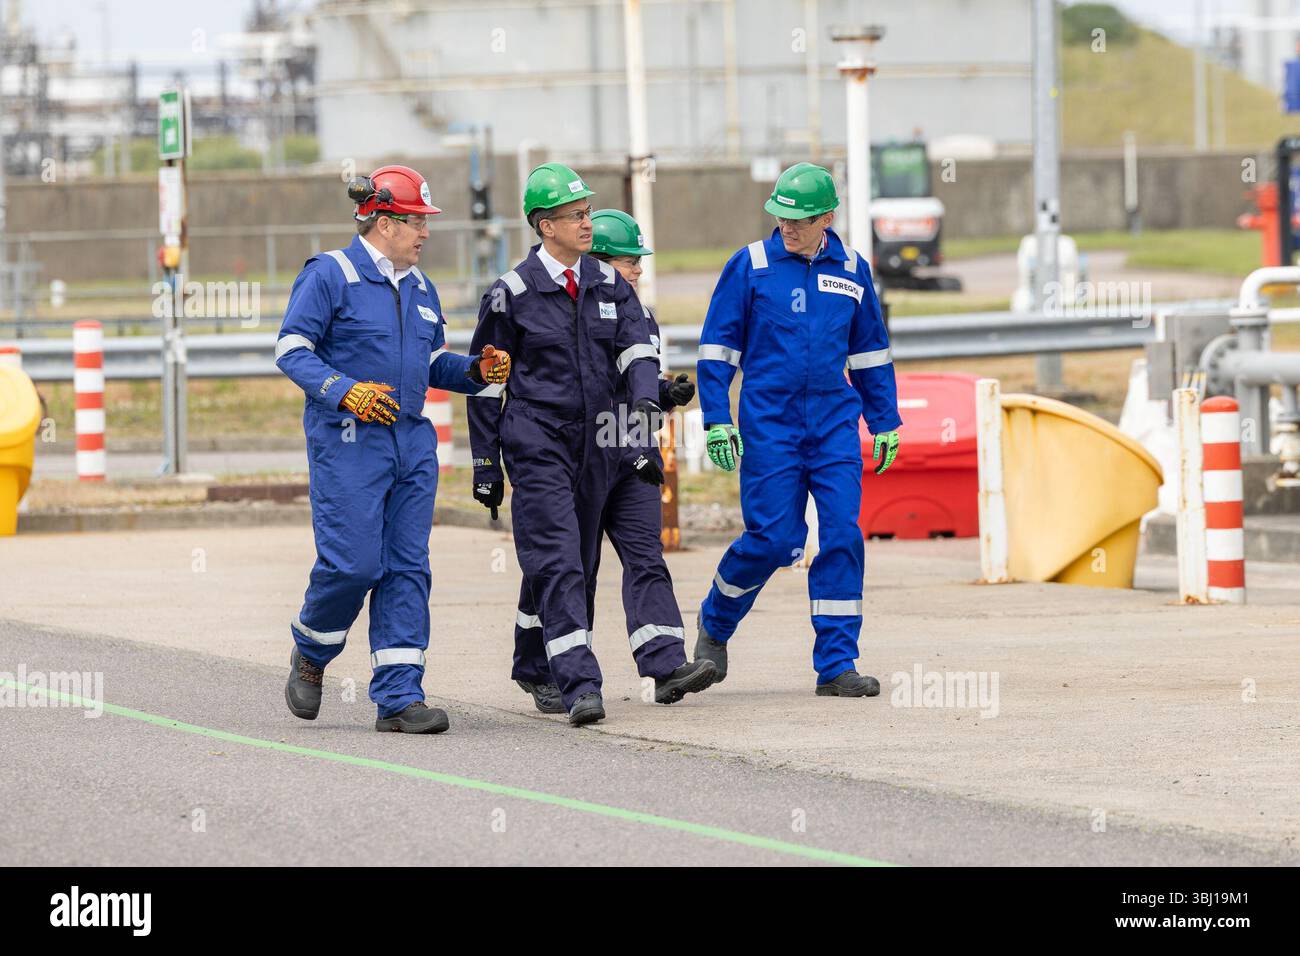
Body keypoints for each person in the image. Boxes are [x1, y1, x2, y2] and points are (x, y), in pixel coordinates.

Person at [276, 164, 511, 734]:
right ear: (383, 222)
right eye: (414, 222)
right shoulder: (330, 274)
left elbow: (431, 363)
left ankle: (400, 697)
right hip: (348, 442)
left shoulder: (422, 287)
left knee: (408, 567)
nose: (424, 233)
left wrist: (478, 372)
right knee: (354, 564)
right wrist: (345, 392)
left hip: (410, 441)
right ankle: (312, 650)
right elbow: (291, 348)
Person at [466, 163, 694, 726]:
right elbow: (485, 380)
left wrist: (645, 412)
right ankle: (579, 683)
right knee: (561, 561)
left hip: (601, 443)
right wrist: (485, 460)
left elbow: (638, 356)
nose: (587, 222)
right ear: (545, 225)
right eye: (576, 214)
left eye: (588, 211)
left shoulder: (610, 285)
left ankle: (543, 665)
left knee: (578, 562)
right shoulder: (511, 294)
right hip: (538, 443)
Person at [693, 162, 902, 697]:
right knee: (775, 539)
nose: (788, 226)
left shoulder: (853, 268)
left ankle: (837, 664)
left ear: (828, 217)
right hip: (770, 424)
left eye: (801, 219)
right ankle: (715, 624)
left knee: (841, 535)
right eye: (781, 215)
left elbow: (870, 352)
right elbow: (718, 354)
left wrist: (883, 420)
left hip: (833, 423)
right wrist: (716, 419)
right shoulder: (752, 266)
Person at [510, 209, 714, 715]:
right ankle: (540, 669)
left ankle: (666, 665)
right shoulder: (569, 311)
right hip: (583, 456)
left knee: (647, 556)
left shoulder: (641, 316)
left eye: (638, 263)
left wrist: (666, 394)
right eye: (628, 262)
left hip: (634, 456)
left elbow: (633, 387)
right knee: (570, 567)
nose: (637, 273)